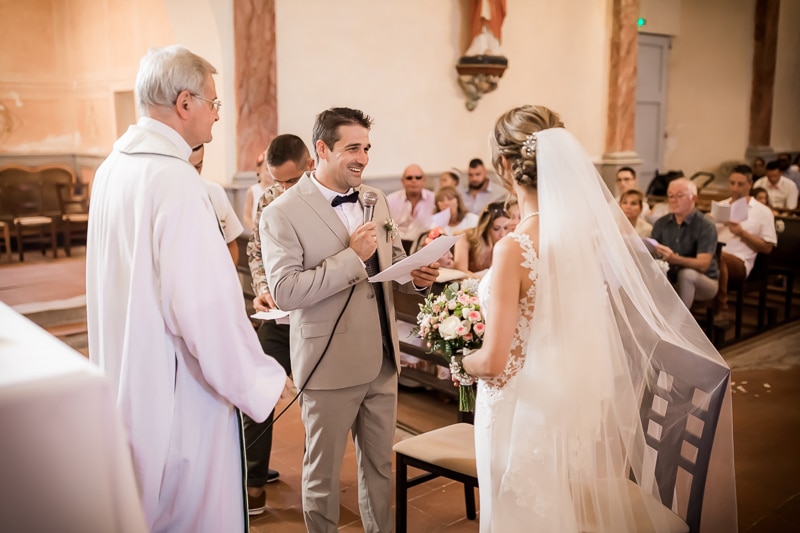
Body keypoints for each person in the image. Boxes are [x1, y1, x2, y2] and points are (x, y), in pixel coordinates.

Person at [459, 104, 735, 532]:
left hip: (517, 406)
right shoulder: (580, 239)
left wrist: (463, 360)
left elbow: (494, 362)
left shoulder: (513, 247)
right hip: (558, 404)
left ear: (506, 166)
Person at [85, 45, 287, 532]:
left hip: (127, 375)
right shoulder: (174, 181)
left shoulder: (113, 169)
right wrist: (258, 379)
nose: (218, 116)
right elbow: (202, 309)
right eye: (214, 103)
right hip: (181, 392)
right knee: (191, 510)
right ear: (184, 103)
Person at [260, 107, 439, 533]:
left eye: (367, 148)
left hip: (381, 359)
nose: (363, 157)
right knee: (321, 475)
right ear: (321, 149)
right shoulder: (281, 212)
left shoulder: (375, 200)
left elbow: (387, 268)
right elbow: (285, 292)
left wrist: (417, 277)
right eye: (352, 148)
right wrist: (350, 258)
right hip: (328, 363)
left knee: (379, 464)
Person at [245, 133, 314, 514]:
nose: (283, 189)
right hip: (278, 318)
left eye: (290, 181)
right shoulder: (270, 199)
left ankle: (314, 488)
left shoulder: (327, 200)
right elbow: (256, 250)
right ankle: (253, 486)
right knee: (257, 395)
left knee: (317, 407)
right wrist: (261, 288)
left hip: (317, 320)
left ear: (310, 166)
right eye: (276, 181)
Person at [712, 164, 776, 325]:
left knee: (718, 257)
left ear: (750, 184)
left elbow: (767, 248)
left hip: (740, 260)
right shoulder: (721, 206)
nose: (735, 188)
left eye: (740, 184)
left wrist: (742, 233)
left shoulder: (762, 212)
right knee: (707, 256)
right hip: (715, 253)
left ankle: (722, 308)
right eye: (732, 183)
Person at [651, 178, 720, 307]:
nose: (673, 200)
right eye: (670, 196)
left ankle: (679, 324)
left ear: (693, 198)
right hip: (670, 276)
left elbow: (703, 264)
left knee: (686, 274)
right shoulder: (661, 223)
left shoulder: (705, 225)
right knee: (650, 270)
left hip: (703, 280)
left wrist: (675, 259)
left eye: (679, 195)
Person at [190, 144, 243, 263]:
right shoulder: (167, 196)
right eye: (188, 167)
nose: (193, 173)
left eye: (198, 167)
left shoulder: (215, 191)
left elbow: (231, 243)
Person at [452, 201, 510, 277]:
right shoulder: (466, 238)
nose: (502, 234)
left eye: (506, 228)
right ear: (485, 228)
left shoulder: (509, 242)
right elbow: (460, 270)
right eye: (496, 229)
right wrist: (483, 282)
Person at [386, 163, 437, 246]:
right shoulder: (391, 200)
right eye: (409, 178)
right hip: (396, 246)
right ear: (403, 181)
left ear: (424, 180)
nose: (414, 180)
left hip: (424, 245)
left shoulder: (435, 200)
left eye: (418, 177)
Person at [244, 150, 273, 232]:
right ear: (259, 170)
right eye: (267, 169)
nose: (270, 173)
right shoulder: (253, 190)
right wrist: (254, 229)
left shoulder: (279, 190)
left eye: (272, 169)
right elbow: (246, 216)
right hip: (257, 231)